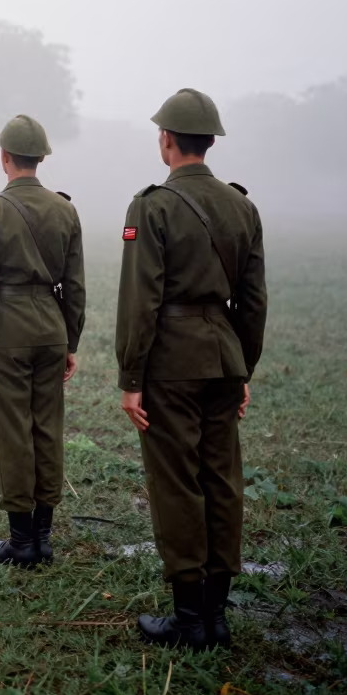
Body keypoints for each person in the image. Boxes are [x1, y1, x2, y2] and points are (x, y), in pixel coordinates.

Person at [116, 88, 267, 651]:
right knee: (222, 479)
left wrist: (132, 378)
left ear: (167, 140)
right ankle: (216, 615)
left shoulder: (151, 204)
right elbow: (253, 301)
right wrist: (242, 368)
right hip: (224, 356)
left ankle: (189, 618)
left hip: (171, 364)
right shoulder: (241, 205)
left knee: (177, 481)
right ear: (208, 141)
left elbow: (140, 301)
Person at [0, 115, 86, 566]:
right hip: (52, 329)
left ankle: (21, 541)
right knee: (47, 430)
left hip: (7, 332)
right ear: (41, 158)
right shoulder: (65, 209)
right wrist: (70, 340)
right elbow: (75, 285)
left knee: (13, 432)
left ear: (5, 157)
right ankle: (45, 536)